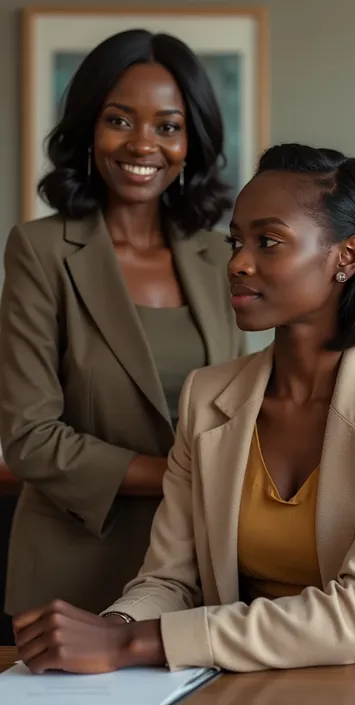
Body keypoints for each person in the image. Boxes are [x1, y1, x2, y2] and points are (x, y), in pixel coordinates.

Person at [12, 144, 355, 674]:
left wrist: (131, 645)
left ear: (346, 256)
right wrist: (112, 628)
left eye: (268, 242)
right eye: (236, 240)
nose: (237, 262)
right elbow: (169, 579)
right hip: (252, 677)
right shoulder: (206, 396)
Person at [0, 29, 245, 619]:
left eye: (168, 125)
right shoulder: (40, 250)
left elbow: (239, 410)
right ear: (89, 128)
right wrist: (185, 478)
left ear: (192, 141)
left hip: (202, 572)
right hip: (76, 572)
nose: (144, 144)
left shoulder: (221, 257)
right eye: (120, 119)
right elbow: (30, 438)